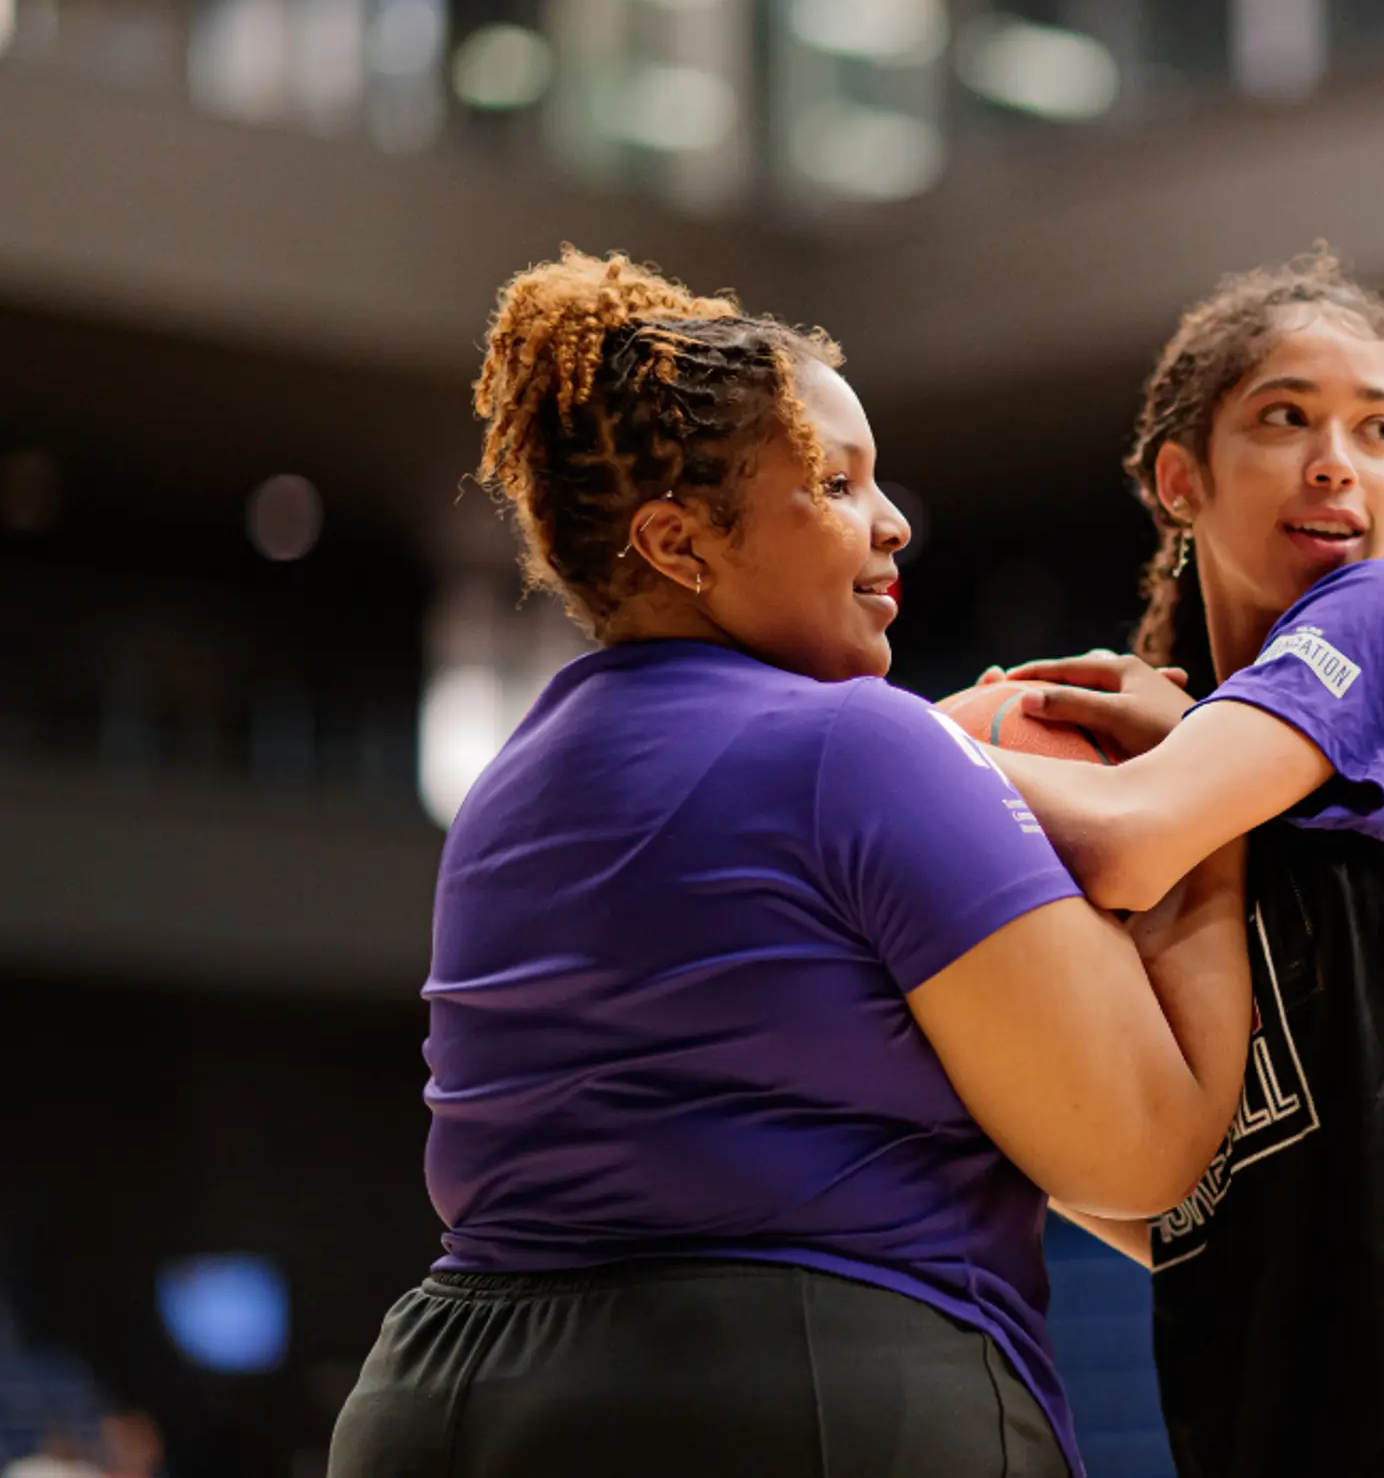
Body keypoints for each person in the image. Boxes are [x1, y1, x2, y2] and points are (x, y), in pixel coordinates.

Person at [328, 249, 1252, 1478]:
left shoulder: (509, 784)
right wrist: (1219, 809)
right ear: (675, 542)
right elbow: (1141, 1146)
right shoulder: (851, 747)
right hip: (796, 1386)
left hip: (441, 1403)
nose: (893, 523)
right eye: (834, 483)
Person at [979, 249, 1384, 1478]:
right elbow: (1171, 1199)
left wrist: (850, 744)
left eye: (1375, 432)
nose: (1336, 458)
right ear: (1181, 481)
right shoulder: (1203, 793)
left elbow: (1119, 838)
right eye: (1286, 418)